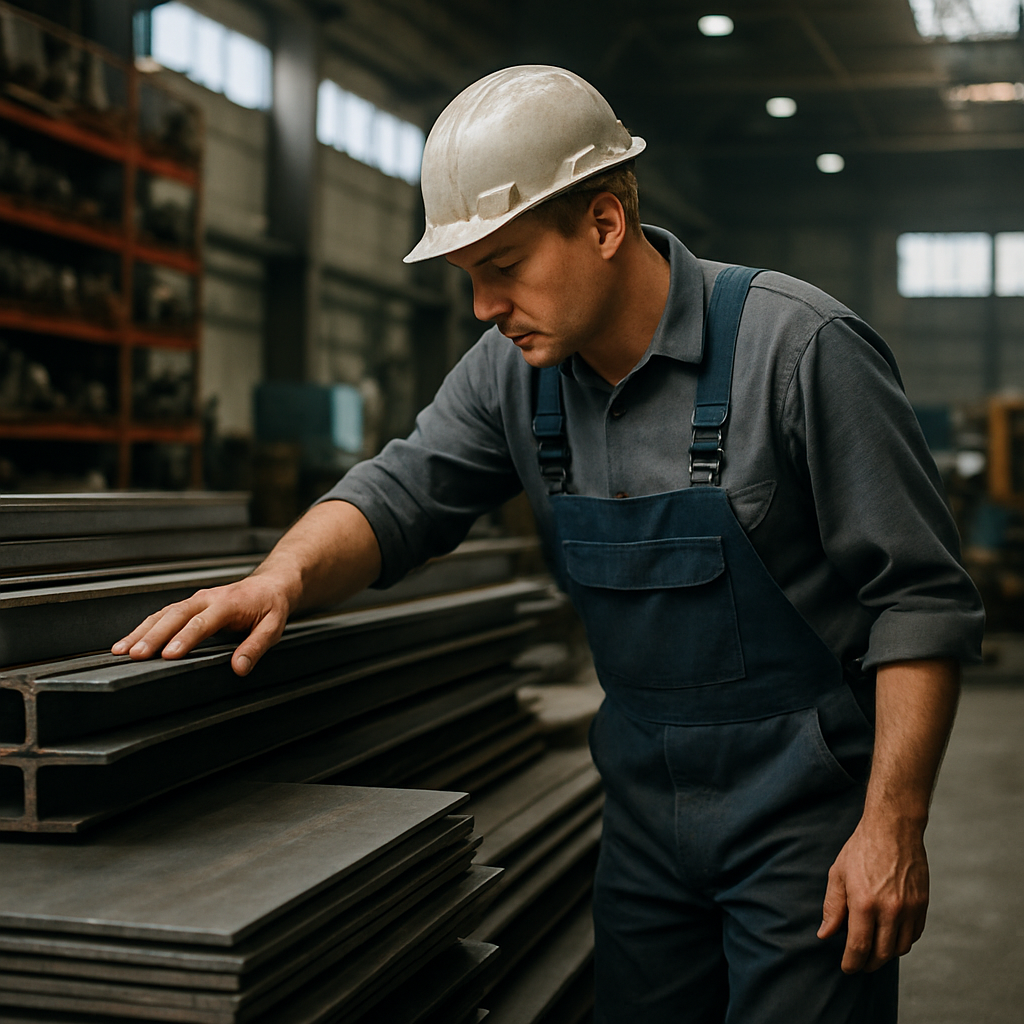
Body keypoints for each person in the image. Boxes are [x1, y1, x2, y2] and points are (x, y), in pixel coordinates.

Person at [114, 66, 984, 1023]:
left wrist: (893, 824)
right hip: (647, 830)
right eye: (469, 276)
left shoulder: (797, 349)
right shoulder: (512, 379)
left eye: (504, 265)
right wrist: (281, 575)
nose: (484, 306)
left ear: (604, 224)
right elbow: (400, 491)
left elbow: (920, 603)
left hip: (809, 831)